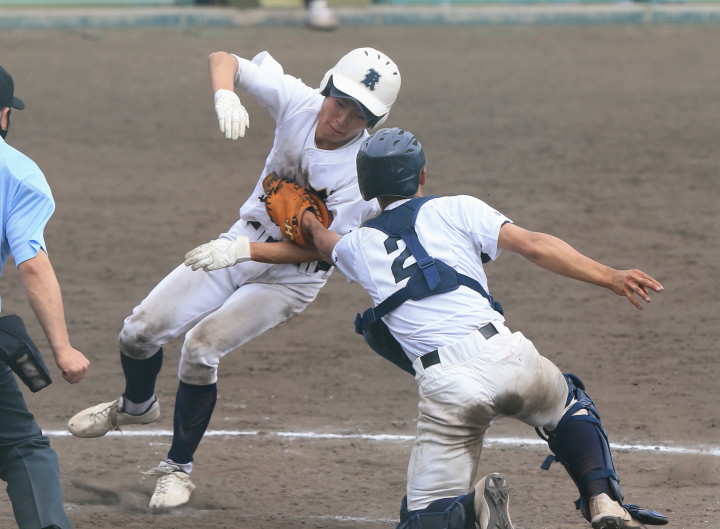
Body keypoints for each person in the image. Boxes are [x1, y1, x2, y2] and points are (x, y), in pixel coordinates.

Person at [67, 47, 401, 513]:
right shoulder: (299, 102)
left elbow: (326, 250)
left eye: (359, 114)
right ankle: (137, 405)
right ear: (326, 86)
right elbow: (224, 59)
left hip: (292, 278)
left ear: (375, 121)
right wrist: (226, 96)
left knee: (201, 348)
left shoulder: (362, 172)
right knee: (139, 330)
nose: (342, 118)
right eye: (340, 101)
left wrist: (244, 252)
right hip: (240, 241)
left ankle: (176, 469)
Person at [297, 127, 669, 529]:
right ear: (422, 175)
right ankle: (603, 500)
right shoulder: (459, 208)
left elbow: (324, 242)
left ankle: (476, 506)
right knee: (568, 405)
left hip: (448, 388)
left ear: (365, 186)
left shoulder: (356, 246)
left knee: (424, 518)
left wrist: (307, 220)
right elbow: (534, 245)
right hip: (507, 355)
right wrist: (610, 276)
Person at [0, 65, 90, 529]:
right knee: (22, 448)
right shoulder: (18, 173)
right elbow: (32, 265)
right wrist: (62, 347)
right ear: (3, 115)